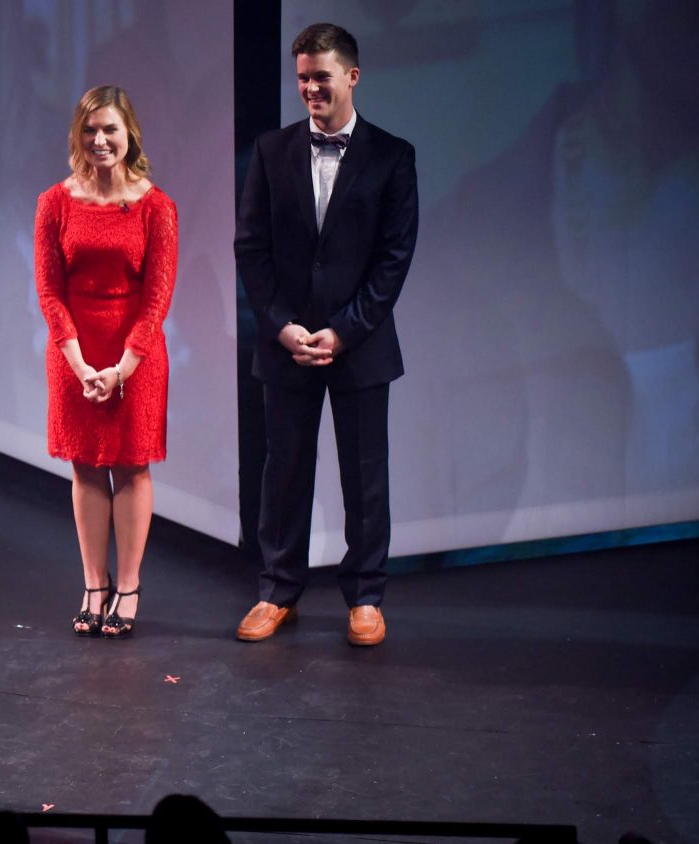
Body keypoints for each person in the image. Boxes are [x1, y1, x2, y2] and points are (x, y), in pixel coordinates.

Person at [234, 23, 418, 646]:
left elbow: (394, 258)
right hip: (285, 345)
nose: (310, 87)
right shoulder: (270, 150)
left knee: (365, 475)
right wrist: (282, 327)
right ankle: (276, 590)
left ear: (353, 77)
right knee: (283, 472)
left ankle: (365, 597)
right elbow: (251, 249)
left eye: (322, 76)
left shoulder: (393, 155)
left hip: (359, 346)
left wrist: (342, 332)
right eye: (303, 77)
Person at [34, 85, 178, 639]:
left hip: (135, 356)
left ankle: (129, 586)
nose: (100, 140)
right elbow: (50, 292)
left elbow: (157, 298)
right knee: (87, 466)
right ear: (78, 135)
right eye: (90, 130)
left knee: (132, 465)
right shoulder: (54, 202)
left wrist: (122, 367)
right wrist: (79, 364)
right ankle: (94, 584)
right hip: (74, 351)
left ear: (129, 135)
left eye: (110, 129)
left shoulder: (157, 206)